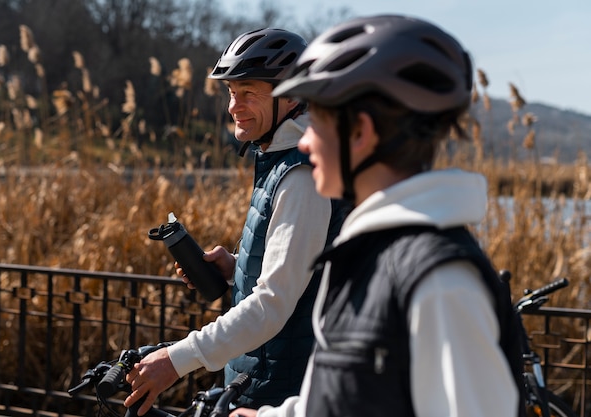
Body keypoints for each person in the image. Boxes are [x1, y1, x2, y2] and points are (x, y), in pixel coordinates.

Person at [232, 14, 525, 417]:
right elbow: (353, 396)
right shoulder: (365, 253)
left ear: (360, 133)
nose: (306, 140)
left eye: (317, 121)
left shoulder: (440, 283)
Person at [123, 28, 346, 415]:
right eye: (231, 92)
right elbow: (294, 270)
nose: (233, 106)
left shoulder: (302, 178)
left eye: (249, 93)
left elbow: (272, 305)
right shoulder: (279, 159)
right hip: (257, 384)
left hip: (282, 393)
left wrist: (177, 360)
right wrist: (235, 269)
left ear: (291, 97)